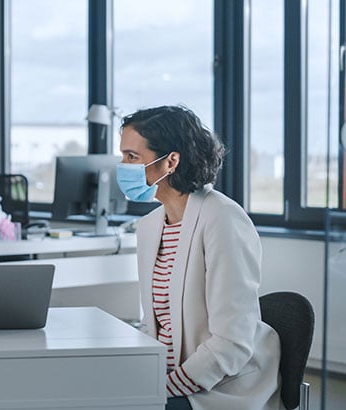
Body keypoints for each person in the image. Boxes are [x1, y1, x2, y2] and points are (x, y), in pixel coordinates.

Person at [117, 106, 281, 409]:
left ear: (171, 161)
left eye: (132, 157)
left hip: (221, 386)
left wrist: (162, 388)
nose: (123, 166)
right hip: (167, 377)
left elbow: (231, 342)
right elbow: (156, 324)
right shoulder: (150, 226)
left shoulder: (223, 219)